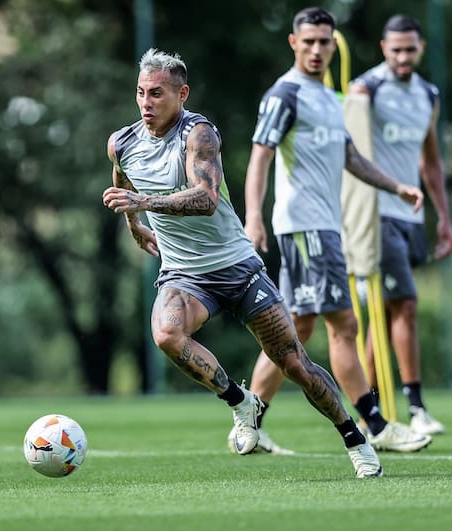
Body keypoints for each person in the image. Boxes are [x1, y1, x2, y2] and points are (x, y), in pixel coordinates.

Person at [103, 47, 384, 478]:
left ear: (182, 94)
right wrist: (135, 226)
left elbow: (206, 198)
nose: (145, 103)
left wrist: (143, 202)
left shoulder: (198, 134)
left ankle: (354, 438)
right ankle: (241, 401)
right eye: (140, 93)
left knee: (294, 363)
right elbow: (124, 185)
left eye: (156, 94)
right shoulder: (122, 143)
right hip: (184, 273)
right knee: (166, 335)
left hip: (237, 266)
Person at [229, 7, 432, 455]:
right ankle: (375, 423)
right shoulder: (286, 94)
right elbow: (260, 155)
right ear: (294, 43)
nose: (318, 50)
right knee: (343, 324)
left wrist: (396, 185)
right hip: (303, 228)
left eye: (325, 42)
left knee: (294, 333)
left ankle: (249, 419)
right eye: (310, 42)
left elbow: (351, 158)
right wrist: (255, 217)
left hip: (326, 229)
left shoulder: (327, 97)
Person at [349, 14, 452, 435]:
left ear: (421, 48)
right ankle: (416, 407)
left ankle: (372, 409)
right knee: (404, 305)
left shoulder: (428, 94)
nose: (403, 57)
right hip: (376, 213)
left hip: (409, 215)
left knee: (388, 311)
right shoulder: (366, 90)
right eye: (396, 50)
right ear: (383, 48)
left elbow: (430, 161)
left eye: (410, 49)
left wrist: (443, 216)